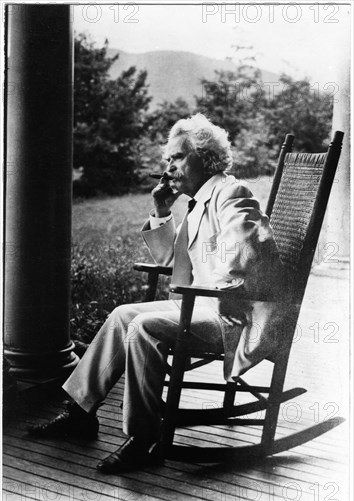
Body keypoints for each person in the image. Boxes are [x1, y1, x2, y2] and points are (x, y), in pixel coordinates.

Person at [28, 113, 286, 474]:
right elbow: (169, 258)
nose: (169, 166)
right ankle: (80, 410)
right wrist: (162, 210)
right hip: (202, 304)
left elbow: (245, 248)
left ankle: (142, 438)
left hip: (234, 314)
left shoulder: (232, 193)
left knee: (144, 327)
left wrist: (218, 285)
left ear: (205, 158)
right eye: (169, 159)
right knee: (122, 314)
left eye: (177, 157)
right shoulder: (196, 200)